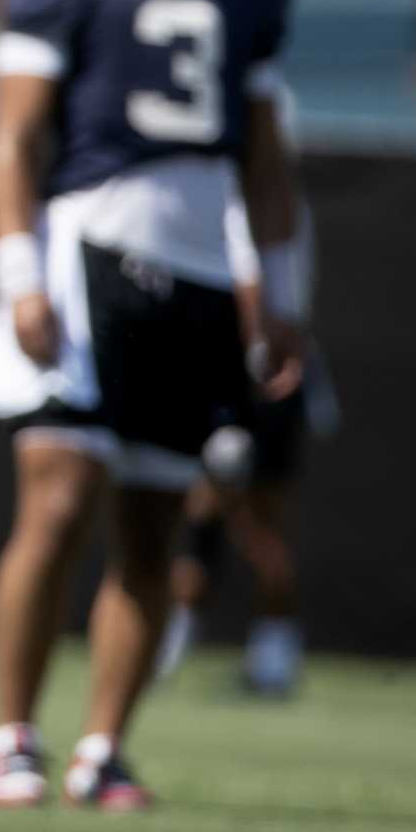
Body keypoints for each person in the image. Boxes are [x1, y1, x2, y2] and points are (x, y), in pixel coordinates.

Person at [0, 0, 306, 810]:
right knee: (59, 495)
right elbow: (13, 143)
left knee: (154, 523)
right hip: (80, 255)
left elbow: (262, 161)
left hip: (199, 267)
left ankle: (100, 748)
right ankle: (10, 736)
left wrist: (281, 291)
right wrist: (18, 272)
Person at [154, 177, 334, 696]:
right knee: (205, 516)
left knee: (244, 517)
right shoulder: (250, 196)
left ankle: (268, 652)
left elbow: (258, 289)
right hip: (243, 378)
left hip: (258, 383)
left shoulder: (263, 200)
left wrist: (253, 362)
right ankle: (181, 638)